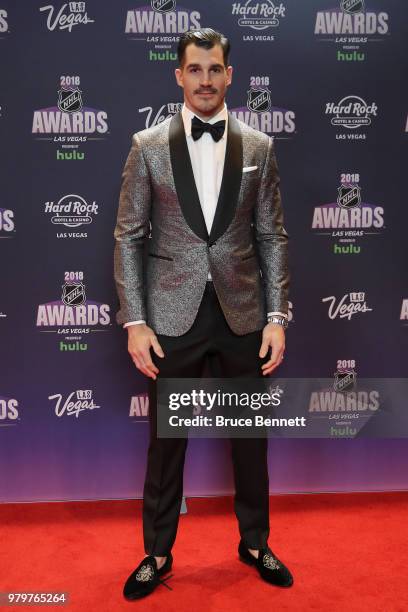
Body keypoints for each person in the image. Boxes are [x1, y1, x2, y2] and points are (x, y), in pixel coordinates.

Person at [114, 27, 293, 600]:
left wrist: (277, 317)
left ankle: (255, 541)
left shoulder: (260, 148)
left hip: (243, 315)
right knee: (168, 443)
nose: (206, 80)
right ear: (179, 76)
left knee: (250, 440)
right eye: (195, 70)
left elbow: (273, 237)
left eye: (215, 70)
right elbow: (127, 238)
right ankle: (158, 552)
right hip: (171, 317)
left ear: (229, 75)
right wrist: (135, 320)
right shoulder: (146, 146)